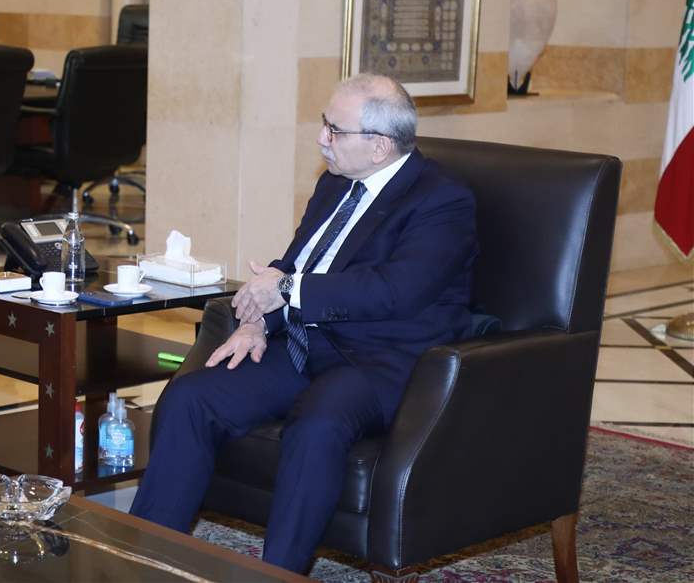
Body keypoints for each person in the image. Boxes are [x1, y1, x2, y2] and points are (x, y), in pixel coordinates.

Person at [129, 73, 477, 573]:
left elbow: (394, 290)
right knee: (191, 397)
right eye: (323, 123)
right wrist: (257, 319)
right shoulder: (335, 183)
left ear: (379, 146)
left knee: (316, 425)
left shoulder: (441, 201)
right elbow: (297, 263)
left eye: (334, 130)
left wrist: (286, 289)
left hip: (378, 360)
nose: (321, 139)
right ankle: (145, 562)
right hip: (302, 345)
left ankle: (279, 573)